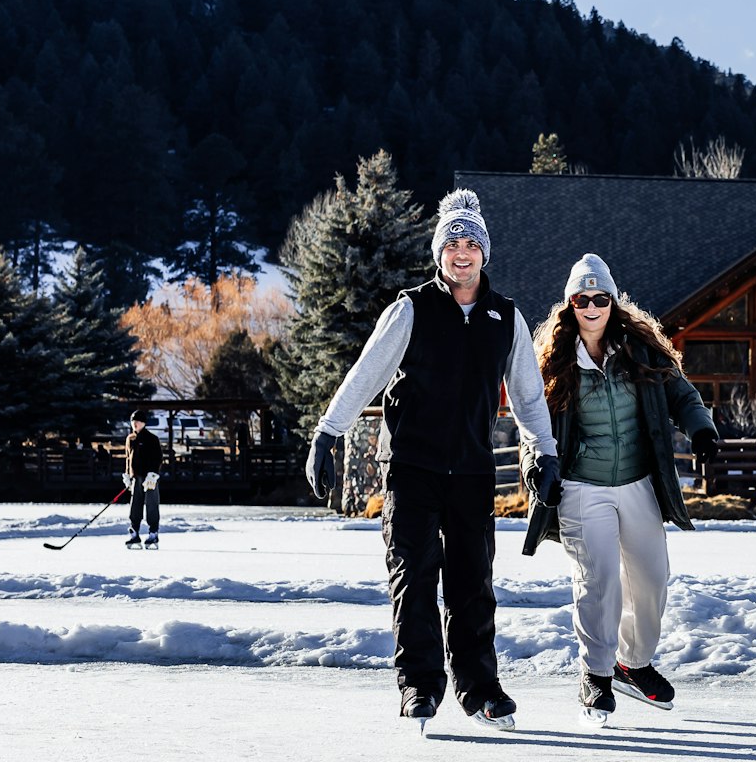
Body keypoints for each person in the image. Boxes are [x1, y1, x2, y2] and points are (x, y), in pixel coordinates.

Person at [305, 188, 558, 733]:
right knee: (413, 578)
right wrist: (327, 433)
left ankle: (480, 689)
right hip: (413, 469)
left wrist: (546, 454)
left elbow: (529, 397)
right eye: (452, 244)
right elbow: (366, 373)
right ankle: (419, 687)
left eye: (471, 243)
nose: (461, 253)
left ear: (483, 253)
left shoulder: (505, 318)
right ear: (439, 253)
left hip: (471, 471)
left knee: (473, 584)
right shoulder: (411, 309)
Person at [528, 254, 718, 727]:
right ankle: (596, 673)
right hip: (581, 488)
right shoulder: (553, 363)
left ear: (612, 301)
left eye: (600, 298)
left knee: (652, 577)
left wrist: (700, 429)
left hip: (638, 482)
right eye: (581, 298)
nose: (591, 306)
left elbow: (682, 395)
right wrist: (538, 465)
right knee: (600, 580)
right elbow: (533, 424)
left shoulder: (641, 351)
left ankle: (633, 661)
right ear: (569, 305)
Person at [124, 409, 164, 549]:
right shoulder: (130, 439)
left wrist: (153, 474)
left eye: (138, 421)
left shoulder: (152, 438)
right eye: (133, 421)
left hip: (149, 478)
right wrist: (127, 475)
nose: (135, 424)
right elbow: (128, 458)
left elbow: (158, 458)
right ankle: (134, 532)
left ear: (144, 423)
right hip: (136, 477)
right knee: (135, 504)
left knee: (152, 504)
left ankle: (153, 532)